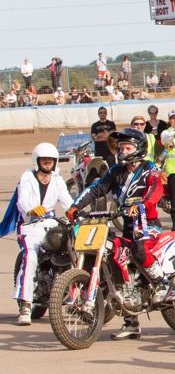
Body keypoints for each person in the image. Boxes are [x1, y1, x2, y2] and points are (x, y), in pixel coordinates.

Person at [70, 128, 166, 339]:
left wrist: (143, 203)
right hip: (127, 226)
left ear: (138, 149)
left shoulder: (150, 169)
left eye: (127, 147)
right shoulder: (116, 171)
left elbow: (156, 189)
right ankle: (131, 322)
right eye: (121, 147)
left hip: (148, 224)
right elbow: (96, 188)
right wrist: (75, 206)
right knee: (114, 258)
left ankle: (161, 282)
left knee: (139, 250)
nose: (122, 151)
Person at [11, 142, 73, 325]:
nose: (47, 163)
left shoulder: (57, 179)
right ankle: (25, 304)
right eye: (44, 160)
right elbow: (22, 201)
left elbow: (68, 201)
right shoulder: (27, 177)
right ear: (37, 161)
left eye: (51, 160)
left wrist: (76, 211)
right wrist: (31, 210)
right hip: (31, 226)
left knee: (73, 247)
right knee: (30, 258)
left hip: (52, 224)